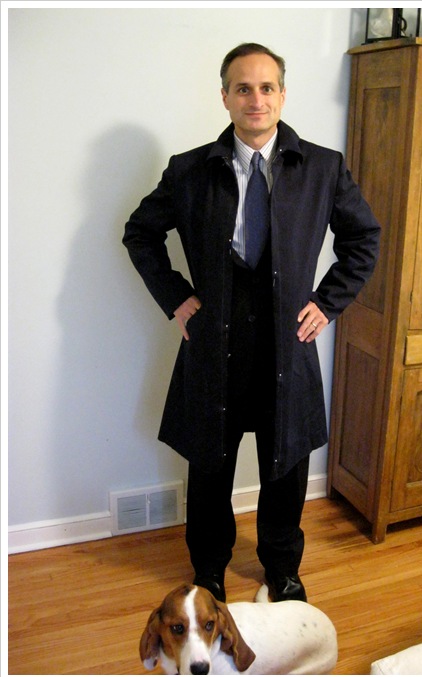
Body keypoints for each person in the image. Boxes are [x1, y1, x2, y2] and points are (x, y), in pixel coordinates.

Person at [123, 43, 380, 604]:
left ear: (283, 95)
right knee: (209, 466)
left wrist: (328, 302)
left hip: (288, 343)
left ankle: (282, 568)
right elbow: (140, 233)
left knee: (286, 466)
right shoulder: (189, 170)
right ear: (225, 97)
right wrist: (177, 297)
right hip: (214, 341)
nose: (255, 99)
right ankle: (209, 568)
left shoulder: (322, 168)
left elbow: (364, 238)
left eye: (266, 87)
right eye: (243, 88)